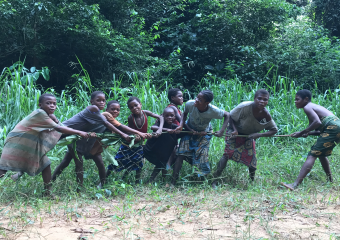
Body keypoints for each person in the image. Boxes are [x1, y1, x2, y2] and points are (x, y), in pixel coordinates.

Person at [0, 93, 89, 196]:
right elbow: (59, 129)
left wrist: (56, 120)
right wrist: (79, 132)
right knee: (3, 168)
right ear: (40, 105)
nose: (52, 105)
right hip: (16, 142)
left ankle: (48, 192)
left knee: (46, 165)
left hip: (28, 145)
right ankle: (46, 191)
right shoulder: (40, 113)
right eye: (48, 103)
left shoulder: (46, 115)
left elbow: (59, 128)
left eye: (54, 104)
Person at [52, 91, 131, 190]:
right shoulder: (99, 112)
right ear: (92, 101)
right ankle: (79, 189)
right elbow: (110, 124)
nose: (101, 102)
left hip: (85, 142)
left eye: (103, 100)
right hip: (73, 138)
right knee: (78, 164)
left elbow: (106, 128)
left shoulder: (99, 114)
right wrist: (123, 134)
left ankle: (102, 184)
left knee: (67, 162)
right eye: (98, 100)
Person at [211, 89, 278, 188]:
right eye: (259, 98)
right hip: (234, 132)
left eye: (265, 99)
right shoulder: (244, 106)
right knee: (227, 154)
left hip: (249, 135)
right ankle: (214, 180)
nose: (262, 101)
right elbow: (230, 117)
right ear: (254, 98)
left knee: (252, 160)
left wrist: (258, 135)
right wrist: (234, 130)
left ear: (267, 101)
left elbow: (274, 130)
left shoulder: (266, 115)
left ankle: (251, 182)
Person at [282, 89, 338, 190]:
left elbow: (317, 122)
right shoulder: (311, 107)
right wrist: (306, 133)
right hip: (336, 128)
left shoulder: (307, 107)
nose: (295, 102)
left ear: (306, 99)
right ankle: (330, 181)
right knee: (321, 154)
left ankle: (294, 185)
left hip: (332, 128)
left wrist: (301, 132)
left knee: (312, 154)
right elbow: (318, 130)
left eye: (297, 99)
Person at [171, 90, 230, 186]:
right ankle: (173, 181)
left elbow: (227, 115)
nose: (196, 100)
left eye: (200, 99)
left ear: (207, 103)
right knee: (180, 153)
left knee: (202, 157)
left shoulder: (213, 110)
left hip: (204, 133)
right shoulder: (190, 104)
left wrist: (221, 131)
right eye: (197, 97)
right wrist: (182, 125)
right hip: (189, 131)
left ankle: (202, 182)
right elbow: (184, 114)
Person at [106, 96, 164, 184]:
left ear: (140, 104)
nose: (134, 108)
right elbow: (130, 131)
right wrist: (135, 135)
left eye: (136, 105)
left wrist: (160, 129)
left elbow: (161, 117)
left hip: (139, 144)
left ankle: (137, 182)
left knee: (138, 163)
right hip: (129, 144)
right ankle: (104, 179)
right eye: (131, 107)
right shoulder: (131, 118)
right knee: (117, 161)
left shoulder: (146, 113)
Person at [144, 107, 184, 183]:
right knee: (161, 163)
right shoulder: (160, 124)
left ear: (174, 117)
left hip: (165, 151)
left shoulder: (174, 127)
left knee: (162, 163)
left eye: (172, 115)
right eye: (167, 116)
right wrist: (167, 130)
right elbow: (153, 127)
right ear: (163, 116)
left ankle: (159, 180)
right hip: (154, 148)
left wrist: (179, 131)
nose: (170, 117)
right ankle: (155, 180)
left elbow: (184, 132)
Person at [165, 88, 184, 169]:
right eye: (179, 96)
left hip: (175, 131)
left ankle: (169, 166)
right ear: (172, 98)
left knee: (174, 148)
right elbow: (181, 121)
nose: (182, 98)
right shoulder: (173, 107)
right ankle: (168, 166)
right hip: (171, 131)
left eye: (182, 96)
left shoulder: (176, 108)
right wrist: (190, 130)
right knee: (172, 149)